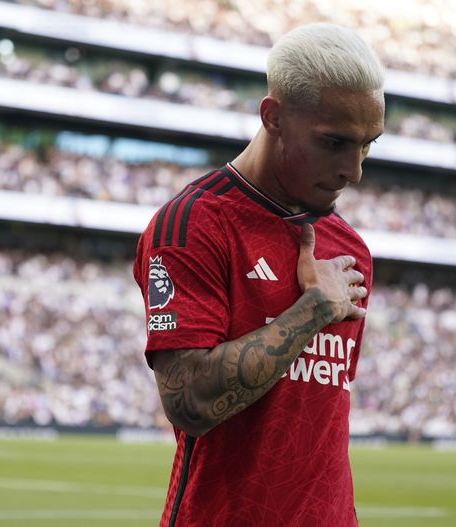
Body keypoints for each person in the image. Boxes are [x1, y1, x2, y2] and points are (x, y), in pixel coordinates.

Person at [133, 22, 385, 526]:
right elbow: (190, 402)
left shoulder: (349, 248)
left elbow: (316, 418)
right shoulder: (194, 224)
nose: (353, 170)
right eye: (334, 143)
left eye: (367, 145)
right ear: (272, 116)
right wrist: (308, 314)